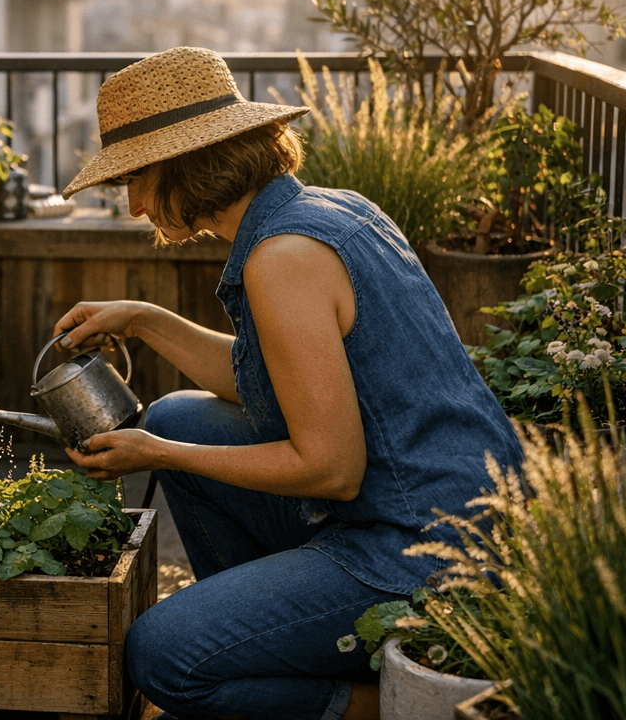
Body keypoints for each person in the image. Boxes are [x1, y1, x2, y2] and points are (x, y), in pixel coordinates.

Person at [51, 47, 522, 720]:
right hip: (429, 508)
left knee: (160, 656)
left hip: (424, 551)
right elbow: (268, 384)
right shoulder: (331, 211)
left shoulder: (283, 261)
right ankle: (262, 634)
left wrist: (156, 457)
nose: (131, 207)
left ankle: (382, 703)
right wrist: (146, 320)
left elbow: (330, 467)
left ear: (188, 165)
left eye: (138, 179)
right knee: (177, 415)